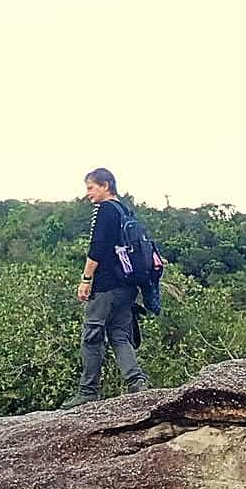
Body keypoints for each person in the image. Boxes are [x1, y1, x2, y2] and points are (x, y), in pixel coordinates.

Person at [62, 167, 149, 407]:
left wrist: (86, 279)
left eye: (91, 187)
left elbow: (97, 248)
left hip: (106, 285)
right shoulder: (125, 209)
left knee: (92, 336)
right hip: (128, 285)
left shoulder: (105, 209)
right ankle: (136, 382)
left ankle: (88, 391)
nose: (88, 193)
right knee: (120, 335)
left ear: (106, 185)